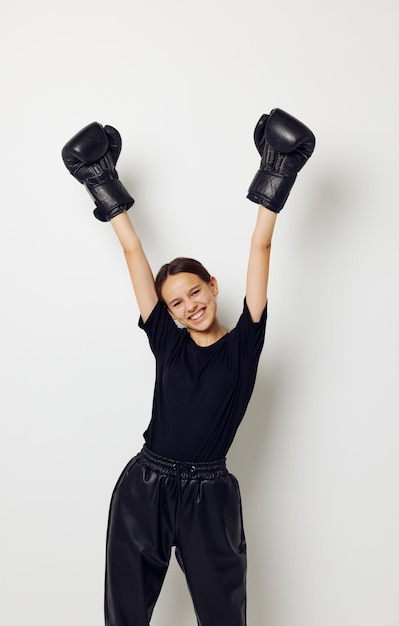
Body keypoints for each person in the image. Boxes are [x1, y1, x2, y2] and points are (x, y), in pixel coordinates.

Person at [62, 108, 315, 626]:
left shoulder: (245, 346)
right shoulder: (167, 343)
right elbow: (133, 251)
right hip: (144, 487)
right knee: (124, 616)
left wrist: (278, 173)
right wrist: (102, 183)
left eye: (194, 292)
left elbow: (261, 244)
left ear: (212, 287)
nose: (188, 307)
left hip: (210, 495)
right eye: (175, 303)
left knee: (224, 617)